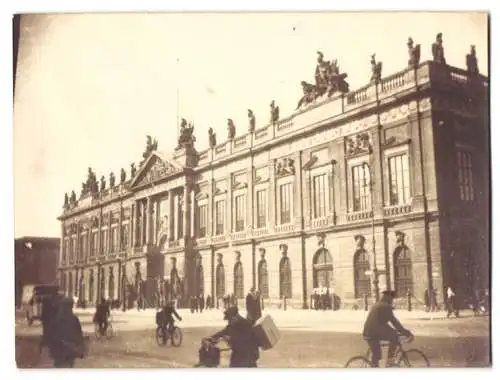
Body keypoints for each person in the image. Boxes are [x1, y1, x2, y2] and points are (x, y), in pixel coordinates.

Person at [362, 290, 413, 368]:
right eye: (391, 298)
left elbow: (382, 323)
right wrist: (407, 333)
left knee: (377, 355)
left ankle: (381, 365)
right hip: (372, 333)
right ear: (388, 298)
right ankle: (390, 361)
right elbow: (395, 322)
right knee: (394, 336)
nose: (392, 301)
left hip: (369, 332)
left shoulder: (379, 305)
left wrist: (397, 331)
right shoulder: (385, 307)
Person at [45, 297, 85, 368]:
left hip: (61, 351)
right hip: (67, 350)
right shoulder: (73, 319)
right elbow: (79, 335)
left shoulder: (57, 319)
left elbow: (50, 335)